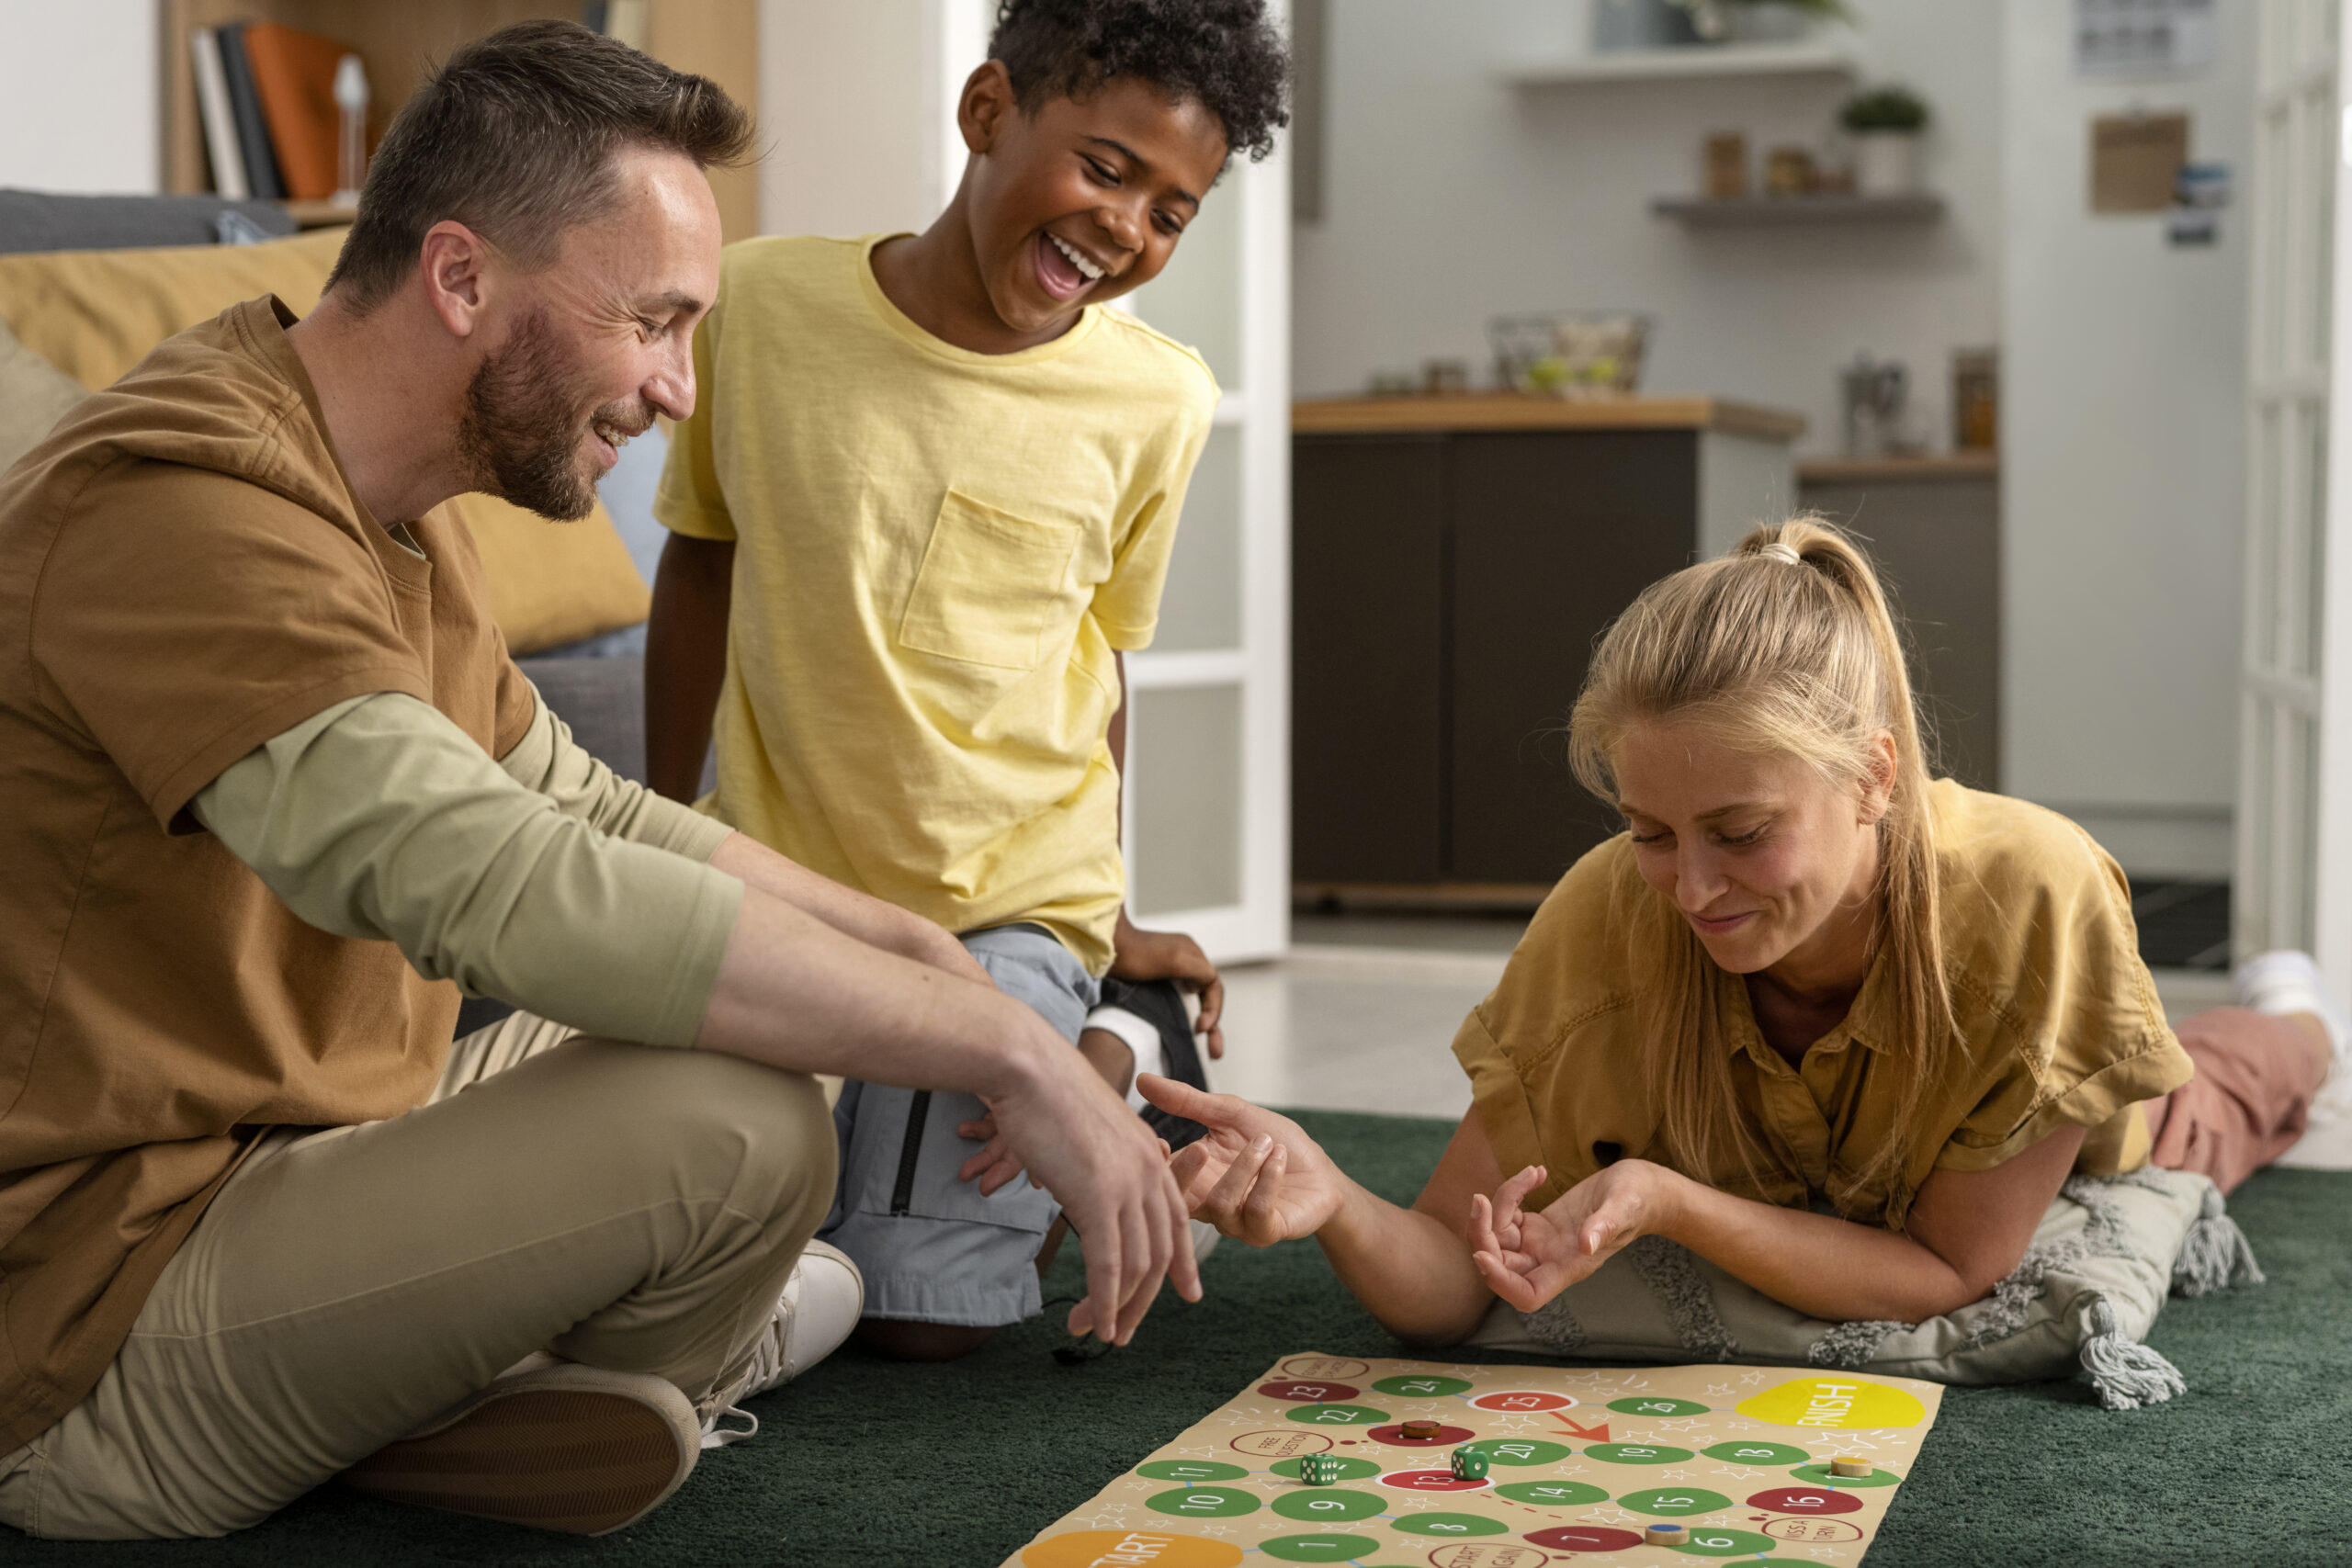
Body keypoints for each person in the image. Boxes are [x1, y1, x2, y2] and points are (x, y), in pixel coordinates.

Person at [0, 22, 1195, 1542]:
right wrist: (1010, 1055)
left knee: (806, 999)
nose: (681, 390)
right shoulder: (188, 507)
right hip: (94, 1317)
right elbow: (481, 877)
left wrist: (921, 958)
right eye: (653, 322)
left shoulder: (387, 489)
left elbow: (587, 805)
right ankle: (488, 1385)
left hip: (305, 1143)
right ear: (460, 278)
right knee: (744, 1129)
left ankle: (471, 1382)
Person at [1141, 517, 2339, 1347]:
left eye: (1742, 832)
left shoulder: (2036, 897)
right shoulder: (1606, 915)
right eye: (1650, 831)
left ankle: (2293, 1006)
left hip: (2060, 1133)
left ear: (1875, 778)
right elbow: (1456, 1280)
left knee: (2217, 1107)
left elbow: (1947, 1271)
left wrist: (1668, 1201)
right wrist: (1336, 1197)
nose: (1691, 887)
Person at [644, 0, 1287, 1359]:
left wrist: (1108, 916)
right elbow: (697, 568)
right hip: (795, 889)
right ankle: (1087, 1062)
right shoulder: (755, 308)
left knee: (919, 1318)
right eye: (1107, 169)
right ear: (989, 112)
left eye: (1173, 211)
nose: (1128, 228)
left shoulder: (1157, 403)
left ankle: (1121, 1033)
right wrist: (652, 822)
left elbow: (1101, 669)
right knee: (717, 1209)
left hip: (1011, 905)